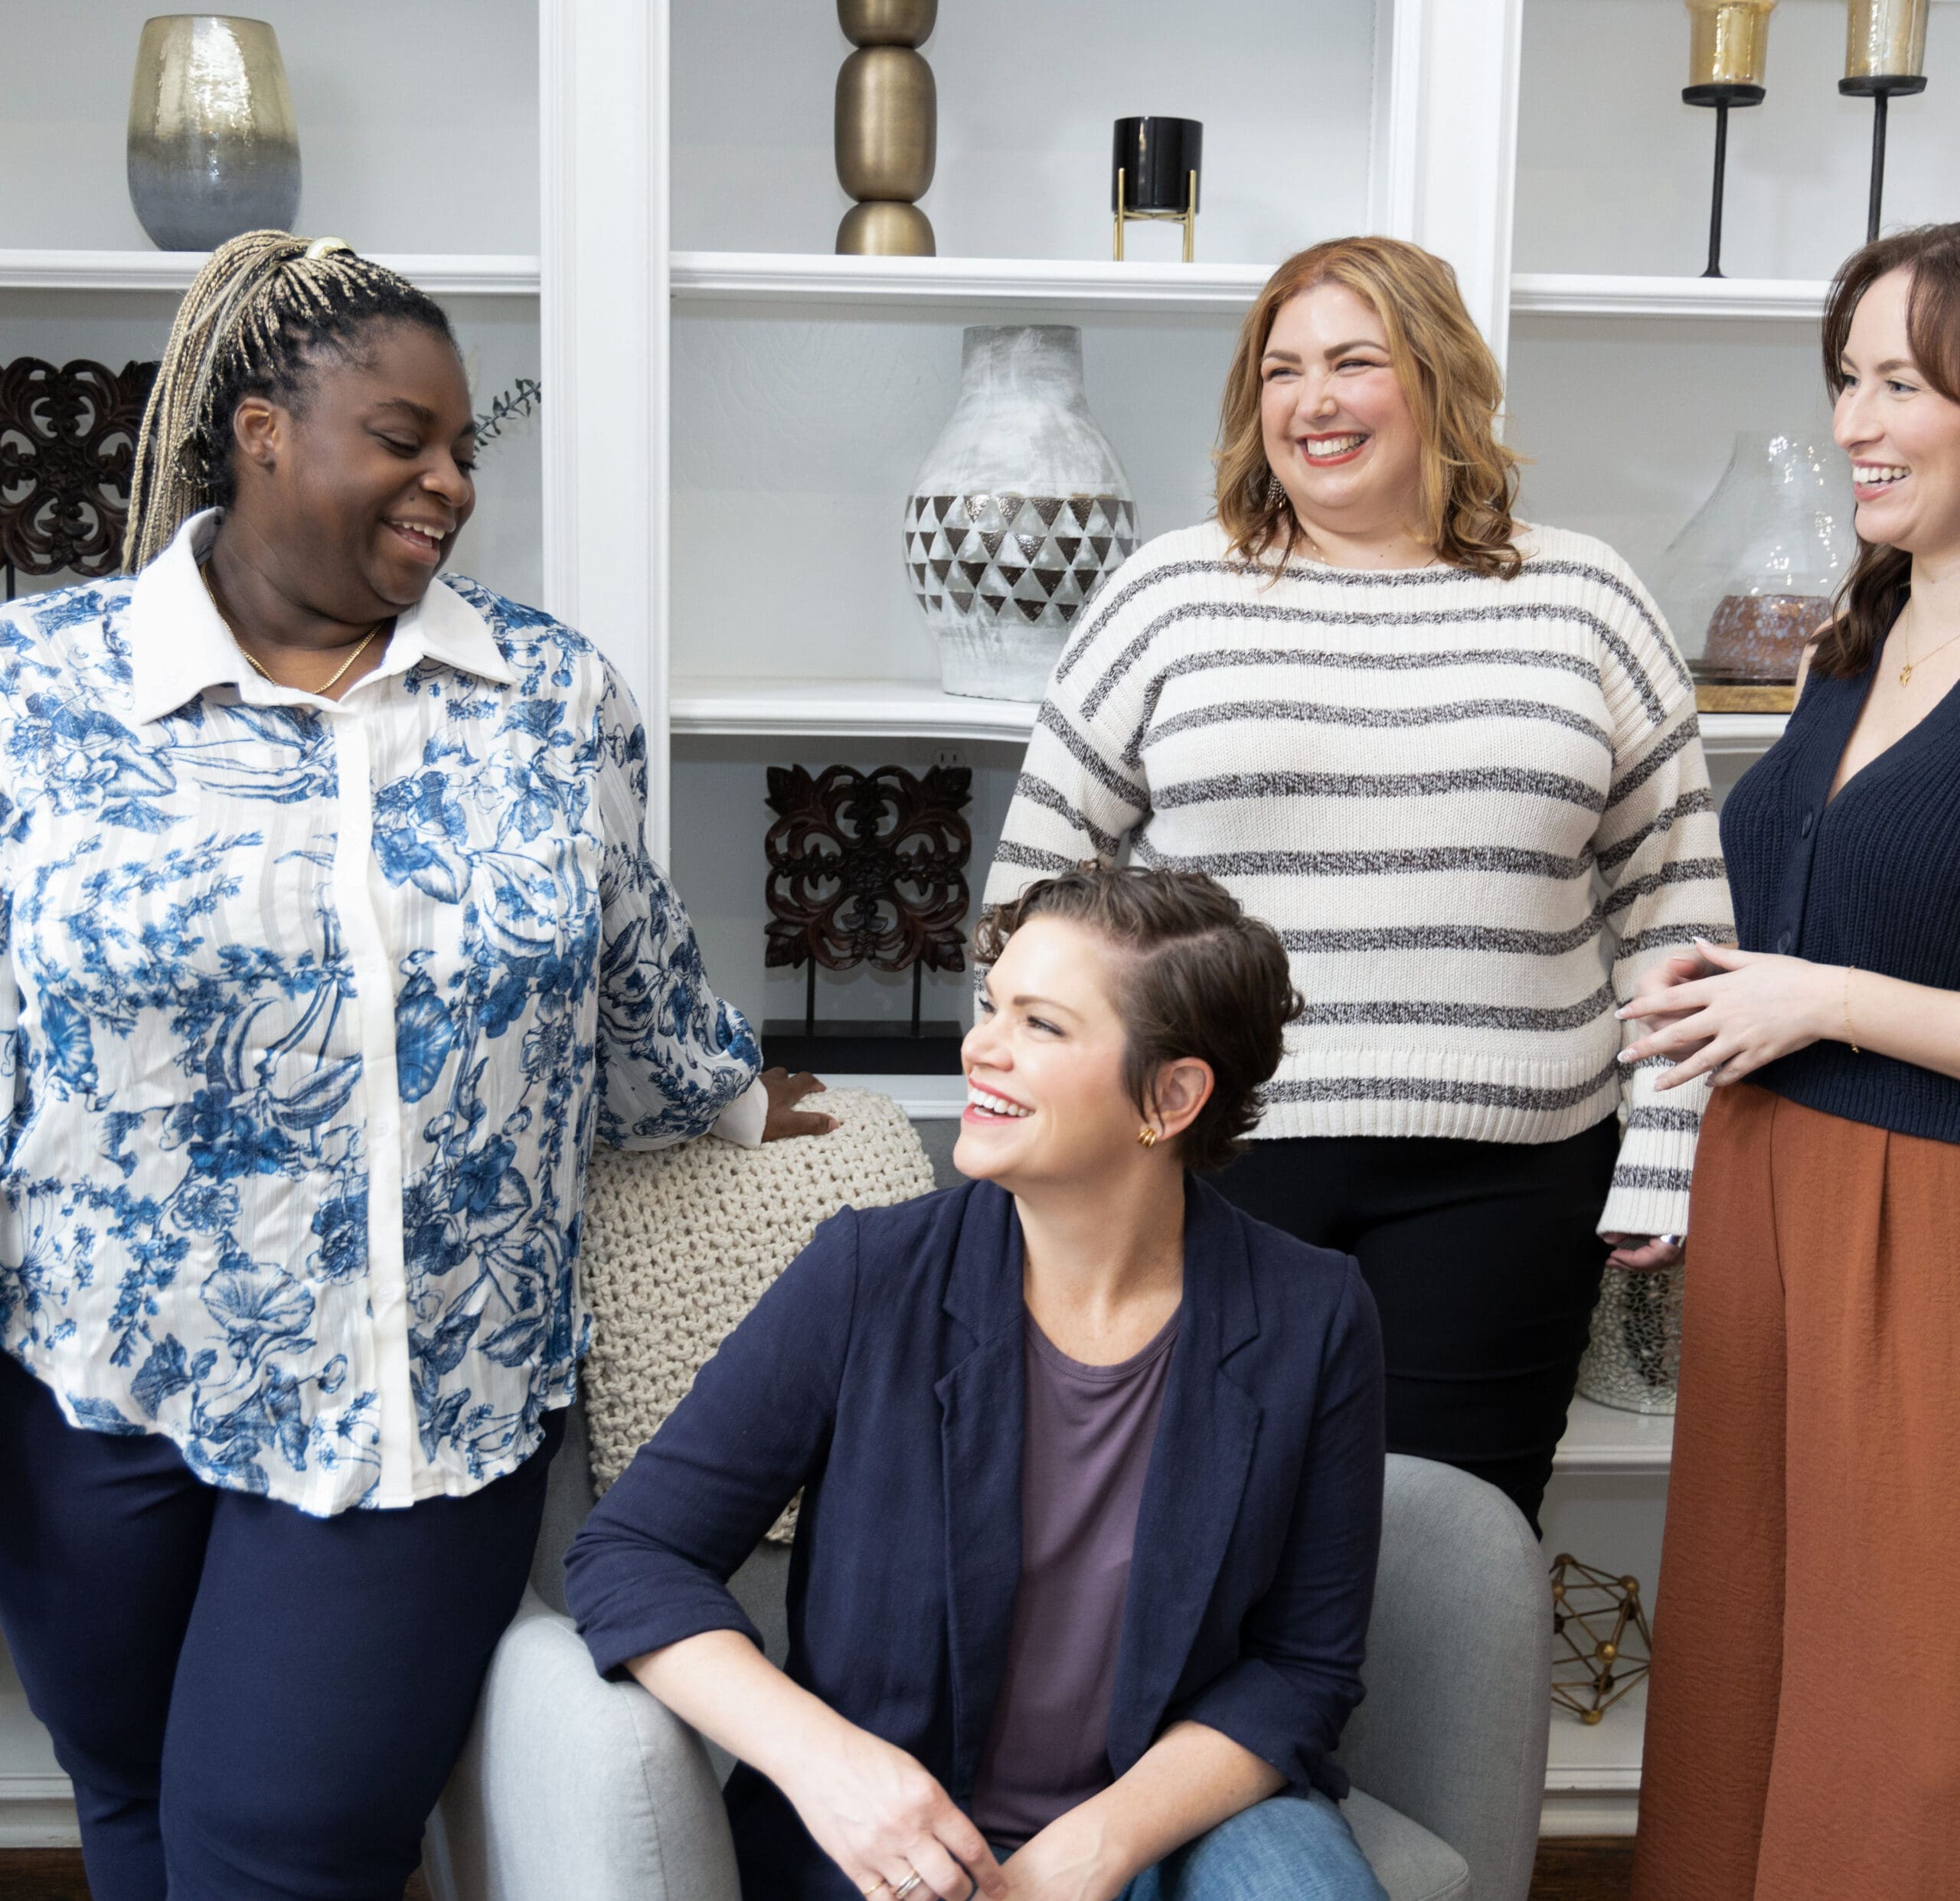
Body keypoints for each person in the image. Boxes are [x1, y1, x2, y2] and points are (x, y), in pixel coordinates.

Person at [0, 230, 831, 1901]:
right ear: (259, 434)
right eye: (405, 438)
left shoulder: (548, 694)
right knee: (138, 1813)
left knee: (280, 1852)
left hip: (413, 1401)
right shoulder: (35, 691)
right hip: (87, 1387)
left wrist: (734, 1094)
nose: (451, 480)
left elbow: (629, 973)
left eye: (463, 447)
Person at [982, 235, 1731, 1533]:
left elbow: (1674, 901)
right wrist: (1036, 1132)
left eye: (1352, 362)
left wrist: (1667, 1150)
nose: (1311, 401)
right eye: (1281, 370)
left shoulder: (1585, 597)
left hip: (1506, 1189)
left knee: (1449, 1565)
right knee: (1191, 1548)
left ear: (1439, 383)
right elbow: (1035, 905)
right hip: (1205, 1164)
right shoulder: (1170, 593)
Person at [567, 865, 1388, 1901]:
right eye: (991, 1005)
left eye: (1041, 1026)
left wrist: (1090, 1854)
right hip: (895, 1837)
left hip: (1167, 1828)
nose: (980, 1049)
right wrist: (829, 1768)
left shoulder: (1315, 1316)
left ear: (1172, 1095)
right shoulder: (868, 1275)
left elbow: (1303, 1669)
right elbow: (632, 1552)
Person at [1626, 224, 1960, 1900]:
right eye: (1845, 378)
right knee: (1752, 1656)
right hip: (1771, 1199)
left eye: (1898, 380)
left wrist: (1819, 996)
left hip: (1928, 1237)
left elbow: (1835, 979)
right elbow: (1799, 933)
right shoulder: (1859, 631)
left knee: (1905, 1710)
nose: (1853, 421)